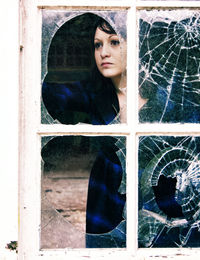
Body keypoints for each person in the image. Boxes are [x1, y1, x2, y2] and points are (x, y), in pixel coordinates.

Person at [42, 16, 127, 248]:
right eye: (97, 45)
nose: (104, 53)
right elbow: (52, 90)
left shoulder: (166, 110)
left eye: (114, 42)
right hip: (100, 221)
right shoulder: (94, 101)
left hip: (155, 227)